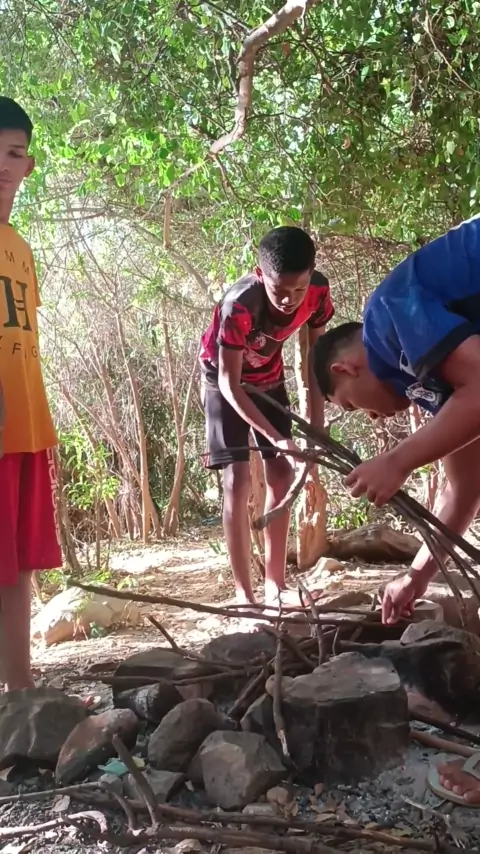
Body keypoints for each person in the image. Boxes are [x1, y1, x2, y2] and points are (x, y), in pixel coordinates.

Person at [312, 215, 480, 802]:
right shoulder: (433, 384)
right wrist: (415, 577)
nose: (370, 416)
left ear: (345, 369)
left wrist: (398, 461)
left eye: (350, 406)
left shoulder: (388, 313)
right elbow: (463, 490)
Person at [200, 226, 334, 606]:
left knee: (282, 474)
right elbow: (229, 382)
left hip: (269, 378)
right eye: (280, 291)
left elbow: (314, 360)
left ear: (311, 275)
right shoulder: (239, 305)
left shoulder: (318, 293)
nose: (290, 300)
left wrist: (316, 428)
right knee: (237, 480)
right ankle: (245, 594)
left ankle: (276, 586)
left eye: (298, 289)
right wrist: (277, 438)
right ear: (261, 275)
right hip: (222, 380)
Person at [0, 97, 61, 691]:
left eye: (13, 153)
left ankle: (19, 693)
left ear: (28, 165)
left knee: (17, 564)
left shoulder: (20, 248)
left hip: (24, 425)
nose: (2, 164)